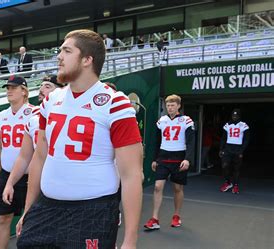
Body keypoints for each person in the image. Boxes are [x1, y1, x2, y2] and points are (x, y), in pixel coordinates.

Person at [16, 29, 143, 249]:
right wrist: (28, 209)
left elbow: (131, 174)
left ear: (87, 59)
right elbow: (40, 156)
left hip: (92, 212)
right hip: (47, 207)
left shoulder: (115, 104)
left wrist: (130, 240)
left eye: (66, 51)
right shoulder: (50, 101)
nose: (59, 57)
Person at [1, 75, 65, 208]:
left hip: (61, 183)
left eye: (47, 87)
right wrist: (10, 183)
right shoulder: (33, 120)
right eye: (41, 86)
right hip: (39, 181)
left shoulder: (66, 118)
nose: (41, 89)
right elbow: (25, 157)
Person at [0, 75, 37, 249]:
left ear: (24, 91)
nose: (9, 91)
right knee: (3, 218)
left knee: (30, 220)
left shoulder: (36, 113)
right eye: (7, 88)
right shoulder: (1, 116)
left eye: (14, 87)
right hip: (7, 175)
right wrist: (0, 175)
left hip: (29, 176)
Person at [144, 94, 195, 231]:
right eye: (168, 105)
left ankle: (176, 215)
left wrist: (187, 159)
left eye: (172, 105)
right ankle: (154, 218)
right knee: (157, 186)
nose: (170, 108)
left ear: (178, 106)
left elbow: (191, 142)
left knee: (177, 188)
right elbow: (156, 142)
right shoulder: (162, 121)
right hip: (163, 157)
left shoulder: (186, 120)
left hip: (179, 158)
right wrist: (155, 159)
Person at [219, 109, 250, 194]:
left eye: (236, 115)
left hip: (238, 149)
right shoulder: (227, 125)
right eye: (233, 115)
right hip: (228, 148)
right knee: (224, 166)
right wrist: (221, 149)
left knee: (236, 168)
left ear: (239, 116)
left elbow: (246, 139)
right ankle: (228, 182)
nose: (234, 117)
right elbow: (223, 138)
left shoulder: (243, 125)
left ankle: (236, 185)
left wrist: (242, 150)